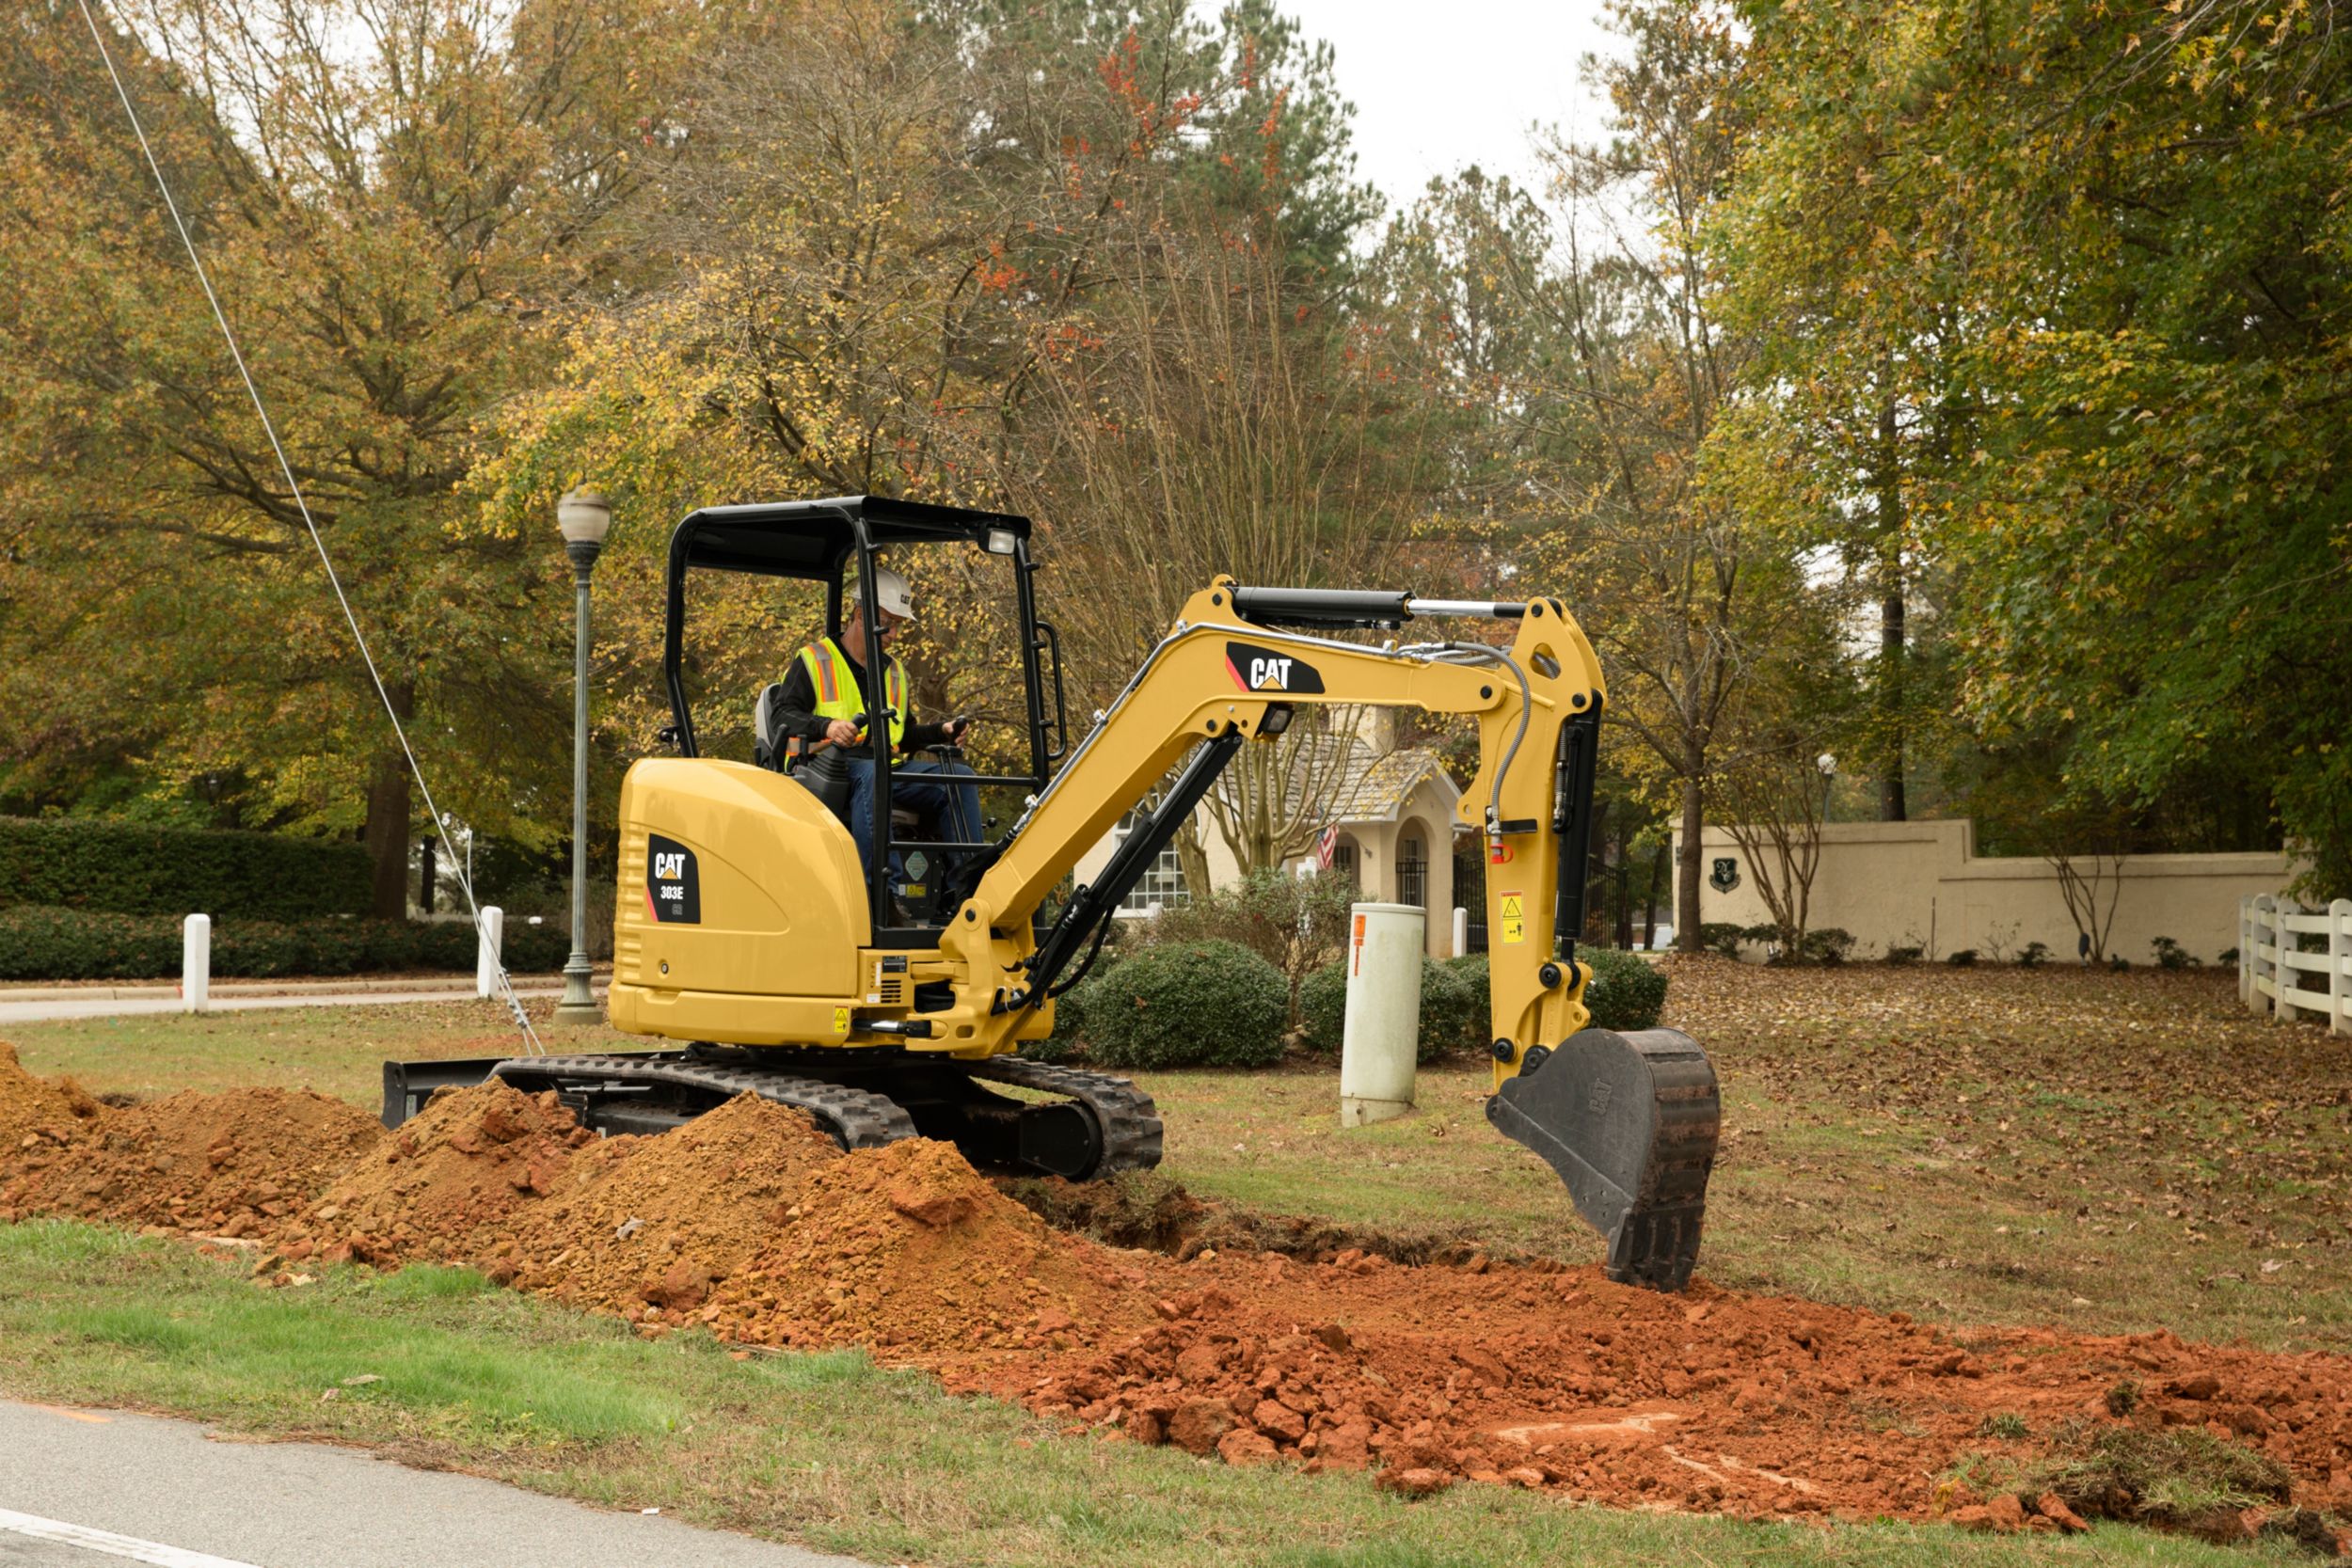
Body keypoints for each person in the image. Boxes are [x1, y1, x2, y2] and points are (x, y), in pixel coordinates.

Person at [771, 567, 981, 884]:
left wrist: (941, 732)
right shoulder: (815, 659)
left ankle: (969, 887)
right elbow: (782, 717)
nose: (895, 635)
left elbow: (903, 735)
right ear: (859, 615)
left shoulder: (894, 672)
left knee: (958, 777)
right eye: (888, 624)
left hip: (883, 767)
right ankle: (885, 890)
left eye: (897, 625)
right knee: (874, 774)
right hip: (826, 768)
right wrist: (826, 726)